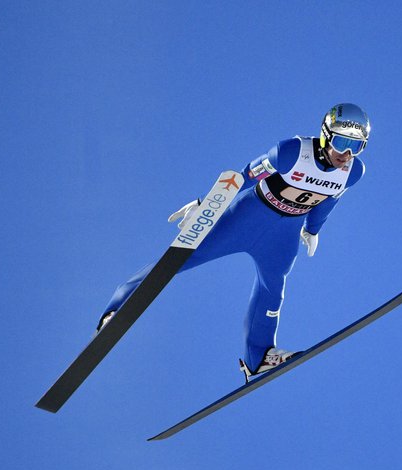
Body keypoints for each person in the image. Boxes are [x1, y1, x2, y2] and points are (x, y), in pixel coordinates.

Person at [101, 103, 369, 379]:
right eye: (342, 142)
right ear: (325, 135)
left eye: (357, 146)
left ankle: (259, 357)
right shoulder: (291, 152)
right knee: (182, 257)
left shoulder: (353, 172)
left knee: (273, 288)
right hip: (247, 217)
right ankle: (118, 308)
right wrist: (206, 204)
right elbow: (245, 176)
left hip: (285, 233)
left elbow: (328, 202)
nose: (347, 153)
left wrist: (313, 230)